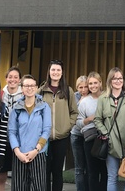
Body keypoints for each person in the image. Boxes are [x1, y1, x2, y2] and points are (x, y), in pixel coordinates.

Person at [94, 67, 125, 191]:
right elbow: (97, 119)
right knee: (112, 177)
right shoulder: (103, 98)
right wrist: (106, 134)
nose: (118, 81)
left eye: (120, 78)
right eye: (115, 78)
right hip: (110, 144)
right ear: (110, 80)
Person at [39, 60, 78, 191]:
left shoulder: (68, 90)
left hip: (62, 138)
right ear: (49, 72)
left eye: (58, 70)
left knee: (57, 172)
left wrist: (68, 126)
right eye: (53, 70)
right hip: (44, 139)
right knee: (45, 171)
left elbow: (74, 112)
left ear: (62, 73)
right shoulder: (41, 91)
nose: (55, 72)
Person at [9, 74, 52, 191]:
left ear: (36, 87)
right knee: (19, 187)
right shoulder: (16, 108)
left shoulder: (44, 107)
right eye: (26, 85)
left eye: (32, 85)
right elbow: (11, 132)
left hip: (38, 153)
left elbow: (46, 130)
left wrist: (36, 150)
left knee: (38, 187)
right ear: (22, 88)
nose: (29, 88)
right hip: (20, 155)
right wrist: (18, 152)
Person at [0, 66, 23, 191]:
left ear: (20, 80)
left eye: (16, 77)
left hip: (20, 141)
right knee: (0, 176)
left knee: (19, 177)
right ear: (6, 79)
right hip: (3, 141)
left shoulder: (25, 95)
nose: (13, 80)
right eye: (10, 77)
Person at [78, 71, 107, 191]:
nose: (93, 86)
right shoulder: (84, 102)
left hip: (106, 138)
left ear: (100, 83)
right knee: (92, 171)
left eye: (95, 83)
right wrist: (88, 119)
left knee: (105, 171)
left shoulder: (107, 97)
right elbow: (78, 123)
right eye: (90, 83)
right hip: (90, 139)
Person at [71, 75, 89, 191]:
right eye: (80, 87)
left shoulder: (94, 96)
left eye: (85, 87)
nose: (83, 90)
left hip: (90, 135)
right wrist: (80, 102)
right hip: (76, 134)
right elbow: (72, 114)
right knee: (79, 168)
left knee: (89, 167)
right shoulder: (74, 97)